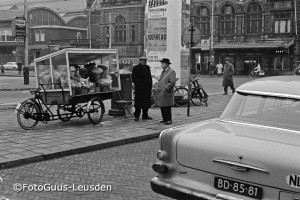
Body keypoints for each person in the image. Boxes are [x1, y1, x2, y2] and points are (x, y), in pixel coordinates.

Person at [155, 58, 176, 125]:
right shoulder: (163, 71)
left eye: (162, 63)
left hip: (166, 92)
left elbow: (172, 81)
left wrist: (166, 88)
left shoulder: (171, 71)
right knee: (162, 106)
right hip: (161, 92)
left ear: (166, 64)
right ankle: (164, 119)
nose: (161, 65)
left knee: (167, 107)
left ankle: (169, 120)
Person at [132, 56, 153, 121]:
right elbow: (133, 78)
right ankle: (137, 116)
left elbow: (149, 77)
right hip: (139, 89)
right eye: (143, 61)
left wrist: (150, 86)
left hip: (147, 89)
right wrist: (138, 85)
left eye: (145, 61)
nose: (145, 62)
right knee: (138, 103)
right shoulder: (136, 68)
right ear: (140, 61)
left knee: (146, 103)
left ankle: (145, 115)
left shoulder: (147, 67)